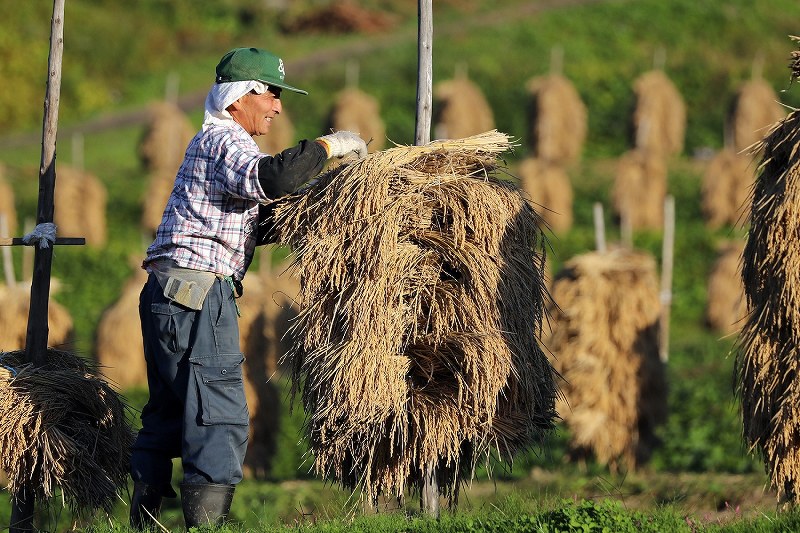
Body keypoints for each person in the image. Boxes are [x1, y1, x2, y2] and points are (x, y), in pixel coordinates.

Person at [129, 46, 368, 530]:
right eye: (270, 94)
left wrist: (334, 206)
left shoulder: (213, 147)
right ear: (239, 96)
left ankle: (143, 522)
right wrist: (328, 147)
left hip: (168, 294)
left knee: (171, 414)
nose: (277, 107)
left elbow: (261, 219)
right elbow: (273, 177)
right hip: (198, 296)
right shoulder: (226, 143)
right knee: (221, 418)